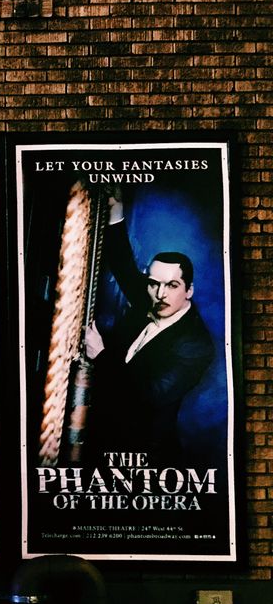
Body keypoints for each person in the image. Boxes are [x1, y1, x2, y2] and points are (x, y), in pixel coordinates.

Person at [83, 195, 214, 464]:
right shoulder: (152, 298)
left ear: (189, 290)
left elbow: (148, 395)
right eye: (154, 283)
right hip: (100, 428)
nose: (161, 294)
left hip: (142, 449)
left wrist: (101, 355)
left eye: (172, 285)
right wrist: (116, 209)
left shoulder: (196, 344)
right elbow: (122, 264)